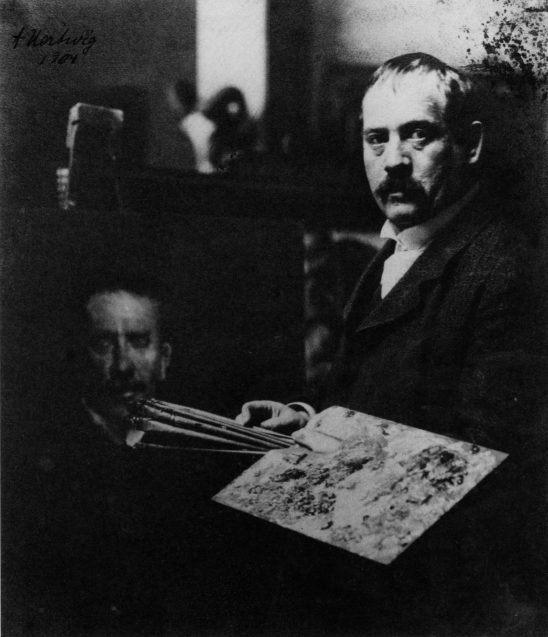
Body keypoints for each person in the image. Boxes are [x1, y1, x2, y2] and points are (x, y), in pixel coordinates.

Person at [238, 53, 546, 633]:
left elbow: (487, 473)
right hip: (365, 575)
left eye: (419, 135)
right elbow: (368, 397)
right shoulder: (396, 247)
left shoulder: (506, 270)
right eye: (376, 139)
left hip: (433, 601)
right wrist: (305, 420)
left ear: (469, 145)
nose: (394, 160)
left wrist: (326, 457)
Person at [166, 79, 216, 174]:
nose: (169, 102)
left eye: (172, 98)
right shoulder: (200, 122)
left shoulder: (192, 125)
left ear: (179, 100)